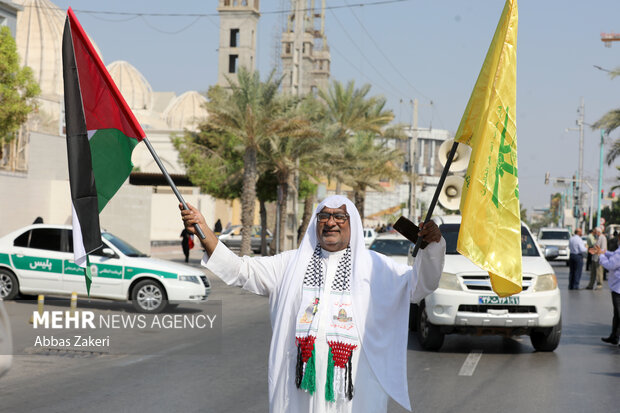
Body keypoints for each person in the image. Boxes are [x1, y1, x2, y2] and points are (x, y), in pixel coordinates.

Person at [180, 195, 446, 413]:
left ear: (351, 223)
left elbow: (420, 286)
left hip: (357, 389)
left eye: (339, 216)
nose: (331, 222)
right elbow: (242, 270)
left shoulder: (377, 267)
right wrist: (204, 232)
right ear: (315, 223)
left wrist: (433, 246)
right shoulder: (290, 264)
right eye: (324, 216)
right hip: (299, 389)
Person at [589, 243, 620, 346]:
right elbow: (614, 254)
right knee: (617, 314)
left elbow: (610, 265)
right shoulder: (618, 252)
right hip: (617, 287)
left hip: (618, 288)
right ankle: (614, 337)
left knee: (618, 314)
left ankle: (615, 337)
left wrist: (601, 255)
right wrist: (604, 252)